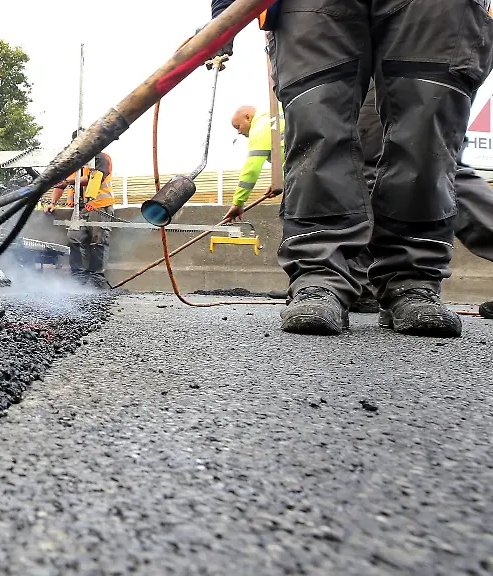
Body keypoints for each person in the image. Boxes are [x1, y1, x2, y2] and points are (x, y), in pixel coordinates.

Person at [209, 0, 493, 337]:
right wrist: (224, 11)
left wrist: (238, 201)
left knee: (427, 122)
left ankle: (412, 278)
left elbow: (253, 163)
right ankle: (320, 273)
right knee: (317, 113)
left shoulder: (256, 124)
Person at [349, 81, 493, 321]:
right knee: (425, 162)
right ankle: (365, 282)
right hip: (424, 56)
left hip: (403, 57)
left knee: (422, 165)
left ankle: (370, 281)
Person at [46, 129, 115, 288]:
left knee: (98, 241)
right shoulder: (74, 161)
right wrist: (53, 202)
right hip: (80, 209)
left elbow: (94, 177)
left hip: (99, 206)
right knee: (74, 238)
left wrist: (68, 181)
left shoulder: (101, 158)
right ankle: (78, 277)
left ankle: (97, 278)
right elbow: (60, 181)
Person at [223, 105, 284, 224]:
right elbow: (292, 153)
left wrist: (238, 202)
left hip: (306, 177)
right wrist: (280, 180)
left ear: (248, 117)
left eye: (238, 126)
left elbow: (251, 169)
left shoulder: (261, 127)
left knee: (290, 216)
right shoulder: (275, 117)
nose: (239, 132)